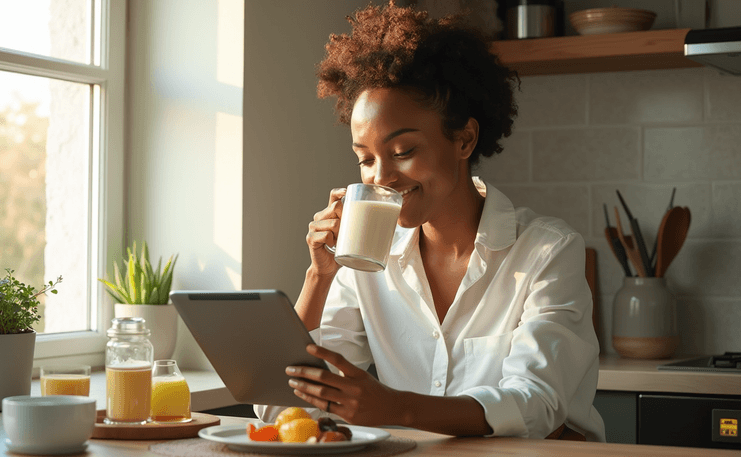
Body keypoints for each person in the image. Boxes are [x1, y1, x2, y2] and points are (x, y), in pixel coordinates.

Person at [254, 1, 605, 441]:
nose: (381, 177)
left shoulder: (546, 251)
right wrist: (318, 276)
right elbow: (279, 407)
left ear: (464, 138)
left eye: (403, 152)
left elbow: (536, 404)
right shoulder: (363, 257)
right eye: (365, 159)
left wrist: (397, 407)